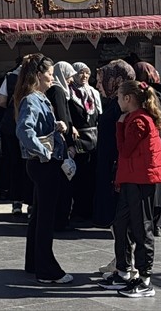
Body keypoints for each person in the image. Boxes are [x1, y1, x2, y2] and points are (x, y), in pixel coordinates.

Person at [99, 80, 161, 299]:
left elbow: (125, 149)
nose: (118, 100)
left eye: (120, 97)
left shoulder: (138, 121)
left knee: (142, 228)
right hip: (132, 178)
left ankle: (145, 279)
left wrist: (119, 126)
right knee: (120, 224)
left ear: (128, 99)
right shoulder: (135, 118)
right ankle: (123, 271)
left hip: (141, 180)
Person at [14, 53, 71, 285]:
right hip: (43, 164)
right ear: (38, 75)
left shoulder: (36, 97)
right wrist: (44, 151)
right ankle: (47, 269)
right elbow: (24, 130)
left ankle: (34, 262)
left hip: (40, 164)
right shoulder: (32, 99)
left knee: (38, 216)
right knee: (45, 218)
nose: (52, 79)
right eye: (49, 75)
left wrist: (55, 127)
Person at [94, 60, 135, 229]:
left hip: (114, 160)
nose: (98, 86)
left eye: (100, 81)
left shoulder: (122, 107)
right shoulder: (114, 104)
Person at [133, 62, 161, 235]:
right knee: (160, 182)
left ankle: (148, 224)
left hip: (147, 143)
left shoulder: (139, 95)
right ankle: (159, 221)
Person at [0, 60, 32, 214]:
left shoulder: (10, 77)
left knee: (14, 163)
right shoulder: (34, 78)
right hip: (28, 126)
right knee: (30, 163)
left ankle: (16, 202)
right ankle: (31, 202)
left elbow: (1, 101)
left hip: (10, 125)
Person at [67, 62, 100, 223]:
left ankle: (90, 208)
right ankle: (79, 209)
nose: (84, 76)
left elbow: (98, 114)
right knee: (78, 176)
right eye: (81, 72)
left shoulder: (93, 92)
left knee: (91, 174)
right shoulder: (69, 93)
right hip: (78, 139)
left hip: (93, 137)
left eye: (87, 73)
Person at [47, 61, 77, 230]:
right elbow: (64, 119)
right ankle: (62, 219)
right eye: (69, 76)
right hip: (61, 143)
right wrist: (70, 144)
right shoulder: (58, 91)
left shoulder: (56, 90)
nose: (71, 79)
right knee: (64, 182)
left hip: (56, 144)